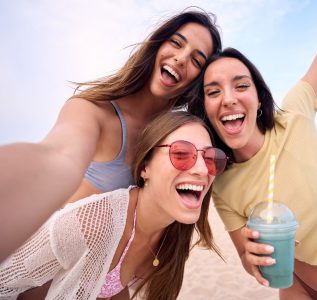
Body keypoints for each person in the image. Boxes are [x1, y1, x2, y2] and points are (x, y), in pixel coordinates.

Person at [188, 1, 317, 299]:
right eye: (213, 92)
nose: (228, 99)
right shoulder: (223, 185)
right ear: (206, 109)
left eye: (241, 86)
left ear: (259, 98)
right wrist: (254, 258)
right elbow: (249, 263)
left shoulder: (295, 114)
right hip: (304, 292)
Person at [0, 8, 222, 262]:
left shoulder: (178, 138)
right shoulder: (93, 111)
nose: (181, 59)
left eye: (196, 60)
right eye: (176, 43)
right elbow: (58, 158)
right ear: (157, 45)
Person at [0, 111, 228, 300]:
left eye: (211, 158)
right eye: (181, 153)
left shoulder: (175, 233)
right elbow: (5, 281)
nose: (201, 169)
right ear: (144, 168)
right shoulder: (91, 224)